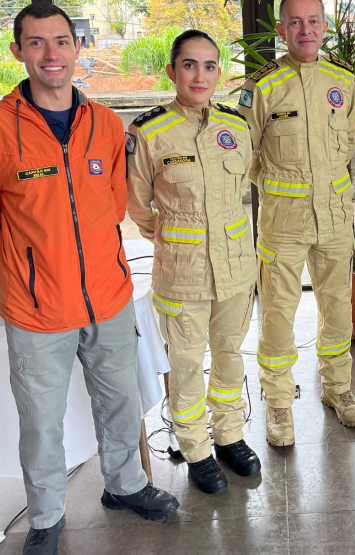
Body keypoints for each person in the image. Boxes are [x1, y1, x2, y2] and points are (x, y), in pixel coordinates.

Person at [0, 4, 179, 553]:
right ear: (17, 51)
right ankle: (45, 517)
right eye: (36, 43)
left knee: (120, 402)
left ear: (77, 47)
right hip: (37, 312)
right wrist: (27, 276)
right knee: (41, 423)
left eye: (60, 41)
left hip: (107, 298)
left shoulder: (107, 126)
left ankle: (126, 485)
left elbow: (112, 206)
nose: (51, 54)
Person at [126, 30, 261, 494]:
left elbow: (244, 182)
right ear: (172, 71)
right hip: (182, 274)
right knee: (185, 364)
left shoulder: (236, 127)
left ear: (218, 72)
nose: (199, 75)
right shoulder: (148, 131)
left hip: (237, 267)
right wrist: (174, 238)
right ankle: (196, 448)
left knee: (229, 358)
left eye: (209, 65)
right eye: (189, 65)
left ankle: (229, 436)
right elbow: (140, 205)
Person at [237, 0, 355, 446]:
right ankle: (278, 402)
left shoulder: (343, 81)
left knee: (338, 307)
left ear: (324, 27)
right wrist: (279, 185)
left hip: (333, 218)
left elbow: (349, 140)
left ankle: (337, 387)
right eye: (296, 22)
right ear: (281, 28)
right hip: (282, 222)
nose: (305, 30)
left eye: (313, 21)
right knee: (277, 313)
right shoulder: (261, 87)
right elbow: (244, 153)